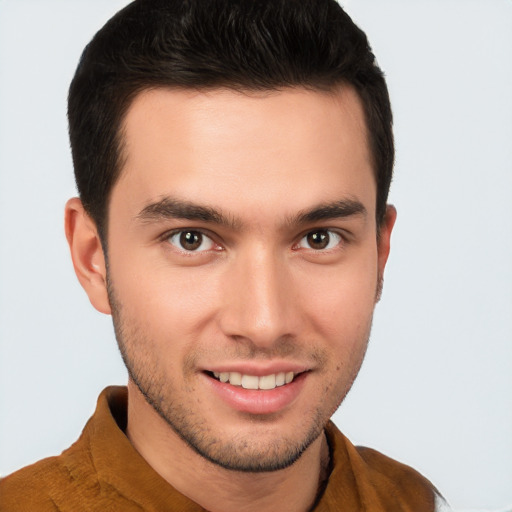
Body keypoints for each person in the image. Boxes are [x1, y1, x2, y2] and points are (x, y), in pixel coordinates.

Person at [0, 0, 449, 510]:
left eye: (319, 238)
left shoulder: (413, 501)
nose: (263, 322)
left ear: (380, 253)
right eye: (191, 239)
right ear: (92, 257)